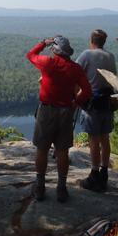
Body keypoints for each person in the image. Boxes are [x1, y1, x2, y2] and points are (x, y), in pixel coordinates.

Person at [27, 36, 92, 202]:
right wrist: (75, 102)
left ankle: (40, 187)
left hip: (46, 111)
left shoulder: (48, 63)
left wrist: (43, 43)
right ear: (67, 52)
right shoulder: (75, 68)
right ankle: (61, 189)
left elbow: (30, 55)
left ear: (55, 50)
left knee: (42, 149)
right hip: (66, 112)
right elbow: (87, 90)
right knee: (62, 151)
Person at [76, 29, 117, 192]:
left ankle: (94, 174)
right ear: (103, 42)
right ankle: (104, 173)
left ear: (91, 41)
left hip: (92, 103)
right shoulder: (110, 56)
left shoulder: (86, 54)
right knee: (104, 138)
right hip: (107, 103)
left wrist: (76, 97)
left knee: (93, 140)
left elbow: (75, 72)